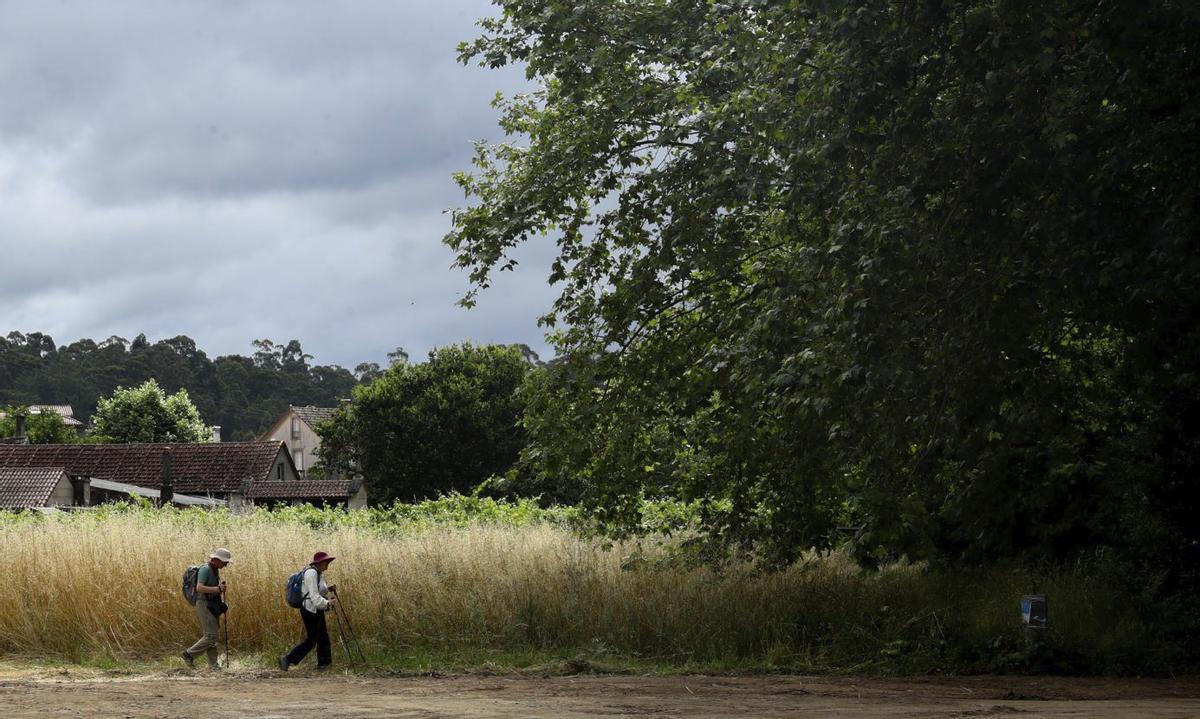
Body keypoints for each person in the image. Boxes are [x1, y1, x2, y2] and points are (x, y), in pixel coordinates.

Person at [279, 551, 338, 670]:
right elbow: (315, 597)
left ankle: (324, 664)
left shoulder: (317, 573)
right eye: (326, 562)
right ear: (320, 563)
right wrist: (327, 603)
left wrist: (328, 589)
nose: (328, 564)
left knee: (322, 637)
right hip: (310, 610)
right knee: (312, 639)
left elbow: (318, 591)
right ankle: (287, 659)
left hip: (315, 609)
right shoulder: (311, 574)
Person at [181, 548, 231, 669]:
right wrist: (217, 589)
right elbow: (199, 588)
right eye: (225, 562)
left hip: (210, 604)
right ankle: (189, 654)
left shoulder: (214, 569)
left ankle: (213, 666)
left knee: (212, 635)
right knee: (211, 635)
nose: (226, 564)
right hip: (203, 603)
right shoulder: (206, 569)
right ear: (218, 560)